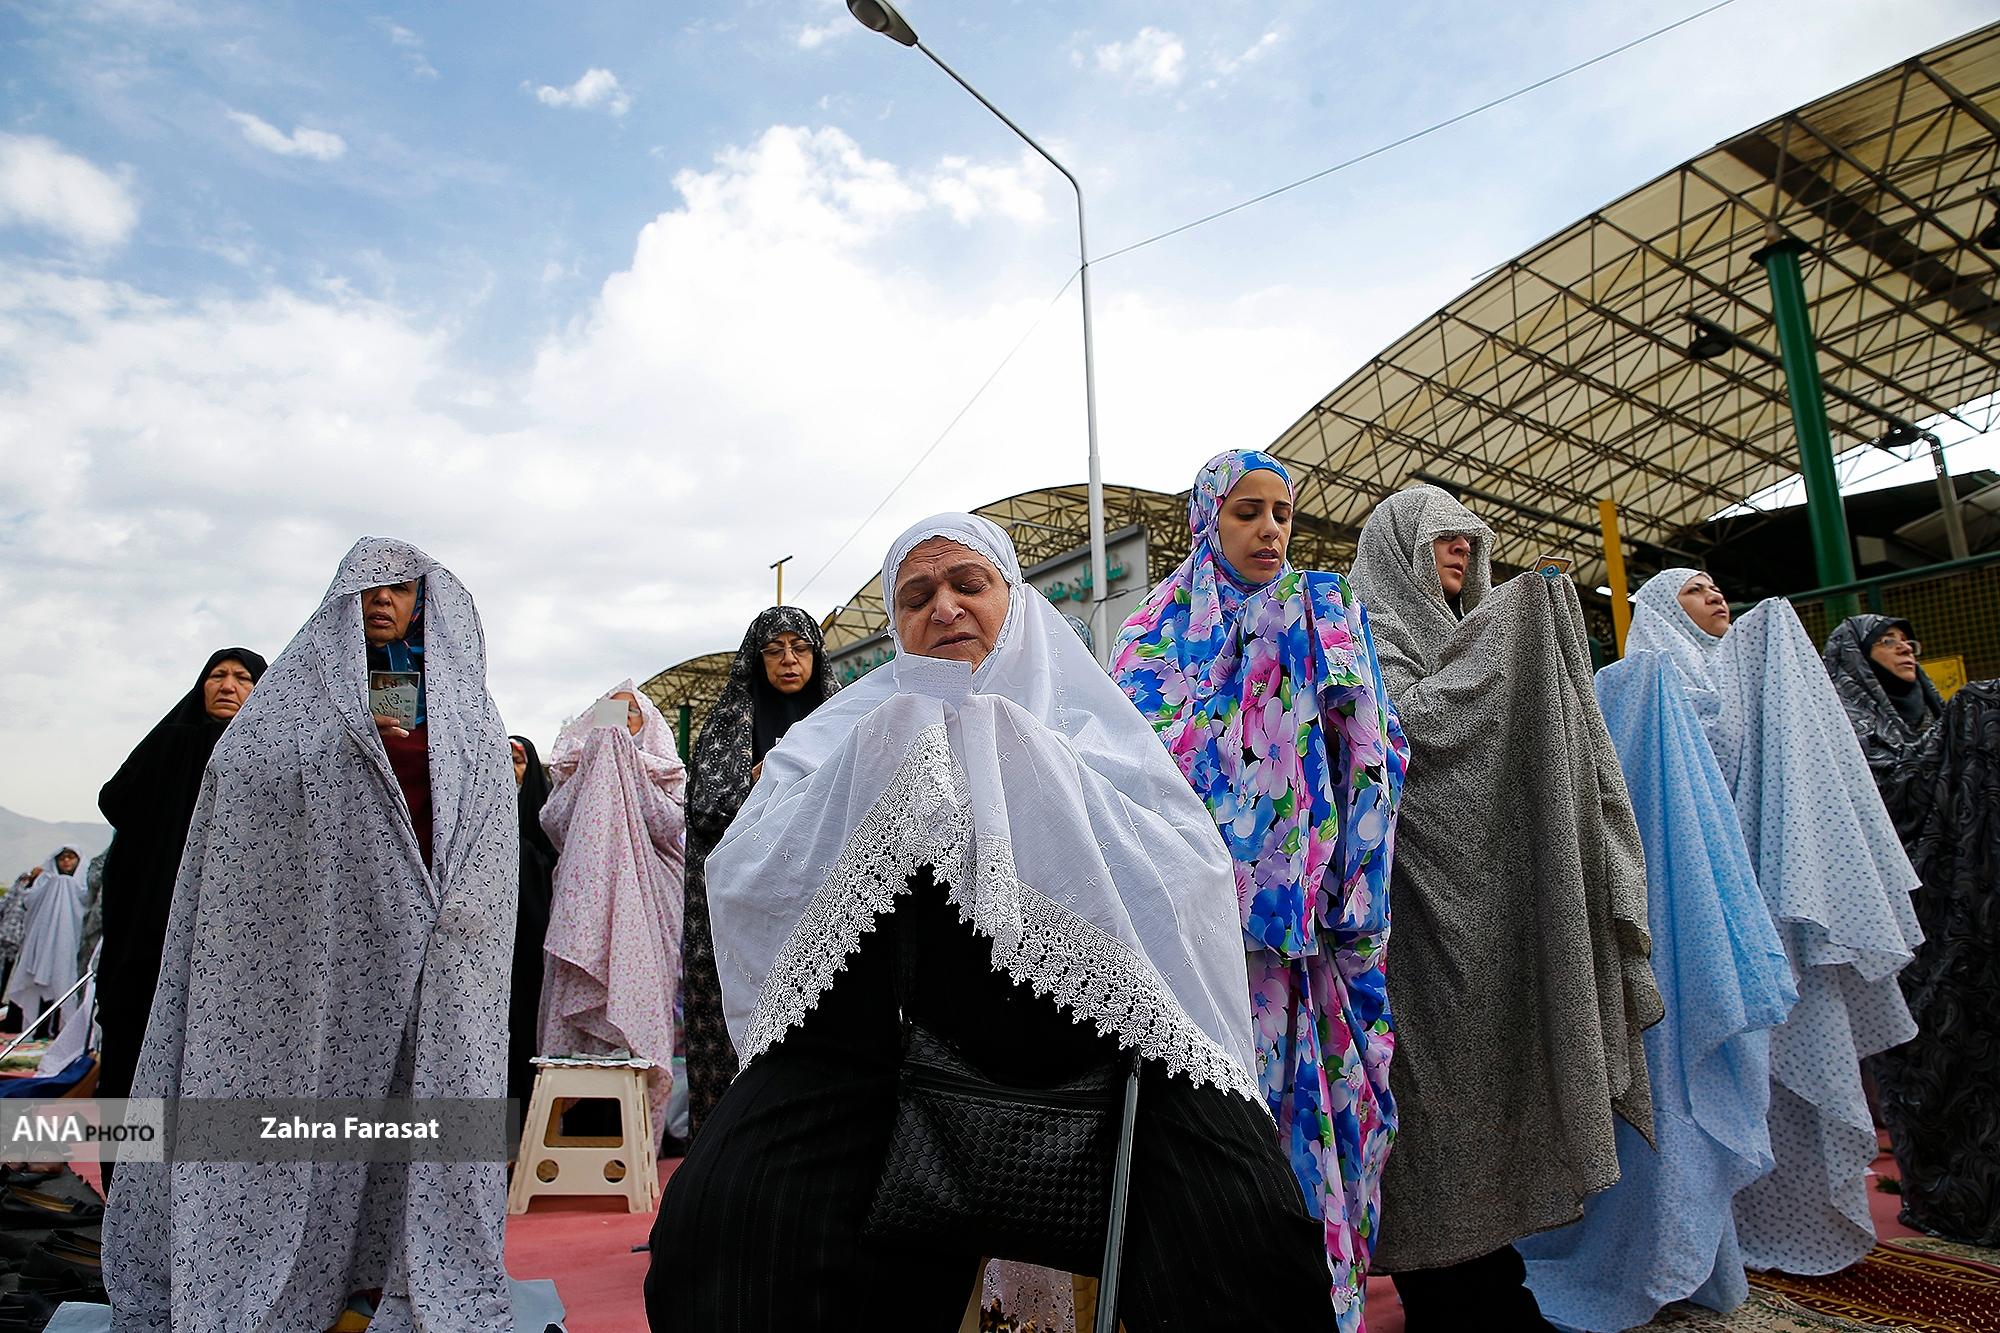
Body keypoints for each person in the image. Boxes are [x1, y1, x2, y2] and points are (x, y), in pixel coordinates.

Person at [646, 513, 1337, 1332]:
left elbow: (1187, 874)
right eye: (916, 597)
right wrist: (871, 769)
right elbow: (746, 872)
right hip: (878, 1051)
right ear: (897, 624)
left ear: (1014, 599)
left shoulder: (1091, 723)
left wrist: (1032, 767)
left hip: (1100, 1054)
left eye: (968, 584)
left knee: (1248, 1228)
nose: (944, 608)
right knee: (720, 1222)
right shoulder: (843, 731)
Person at [102, 537, 518, 1333]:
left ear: (423, 603)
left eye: (399, 588)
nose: (382, 599)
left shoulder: (463, 703)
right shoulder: (299, 698)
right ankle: (302, 1275)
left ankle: (390, 1277)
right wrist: (342, 759)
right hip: (325, 942)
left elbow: (490, 817)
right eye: (368, 587)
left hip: (439, 944)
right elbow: (242, 777)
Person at [1345, 484, 1661, 1331]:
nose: (1462, 550)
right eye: (1444, 538)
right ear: (1399, 550)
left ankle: (1491, 1289)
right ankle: (1455, 1299)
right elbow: (1401, 736)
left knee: (1489, 1115)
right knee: (1431, 1126)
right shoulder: (1361, 630)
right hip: (1405, 941)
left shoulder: (1460, 633)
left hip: (1489, 942)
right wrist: (1507, 637)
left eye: (1472, 540)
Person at [1112, 449, 1406, 1332]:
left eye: (1282, 512)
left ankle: (1304, 1305)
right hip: (1188, 951)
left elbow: (1376, 755)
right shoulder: (1151, 637)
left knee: (1307, 1142)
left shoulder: (1325, 613)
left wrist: (1347, 893)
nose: (1271, 529)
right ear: (1208, 520)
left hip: (1304, 948)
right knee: (1204, 1141)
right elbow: (1123, 777)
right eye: (1248, 512)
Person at [1624, 569, 1920, 1275]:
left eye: (1717, 586)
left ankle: (1795, 1214)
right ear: (1663, 609)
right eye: (1695, 590)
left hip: (1770, 904)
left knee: (1786, 1062)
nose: (1715, 596)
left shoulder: (1755, 681)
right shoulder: (1645, 686)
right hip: (1696, 918)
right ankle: (1712, 1234)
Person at [1518, 650, 1797, 1329]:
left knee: (1662, 1108)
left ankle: (1678, 1257)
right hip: (1671, 975)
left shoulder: (1632, 778)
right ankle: (1673, 1258)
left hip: (1656, 976)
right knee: (1672, 1108)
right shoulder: (1653, 785)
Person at [682, 607, 836, 1139]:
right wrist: (760, 786)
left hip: (819, 902)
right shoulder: (731, 723)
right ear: (757, 659)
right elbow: (706, 807)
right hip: (744, 903)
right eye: (774, 650)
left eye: (801, 648)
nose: (789, 660)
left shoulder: (840, 716)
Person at [95, 647, 269, 1103]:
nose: (227, 686)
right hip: (150, 935)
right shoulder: (170, 744)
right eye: (217, 675)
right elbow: (116, 801)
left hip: (233, 940)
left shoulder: (271, 758)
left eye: (242, 678)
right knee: (133, 1048)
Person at [1864, 678, 2000, 1245]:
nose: (1903, 646)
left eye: (1905, 638)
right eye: (1887, 639)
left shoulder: (1944, 713)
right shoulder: (1858, 717)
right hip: (1933, 908)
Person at [538, 682, 688, 1135]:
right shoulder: (574, 770)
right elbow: (555, 823)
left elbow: (668, 824)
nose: (619, 727)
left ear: (649, 725)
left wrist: (626, 768)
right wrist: (598, 764)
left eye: (630, 717)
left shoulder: (664, 772)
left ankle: (640, 1135)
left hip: (652, 910)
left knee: (642, 1009)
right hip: (582, 916)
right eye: (611, 716)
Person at [1821, 615, 1944, 784]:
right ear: (1857, 655)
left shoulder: (1937, 713)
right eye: (1888, 641)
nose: (1906, 648)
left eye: (1906, 641)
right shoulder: (1836, 725)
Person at [509, 734, 558, 1113]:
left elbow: (552, 865)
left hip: (532, 944)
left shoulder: (545, 812)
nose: (511, 769)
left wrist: (518, 850)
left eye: (518, 760)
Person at [2, 845, 89, 1033]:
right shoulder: (46, 881)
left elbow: (86, 905)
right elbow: (29, 901)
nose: (66, 861)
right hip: (40, 943)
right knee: (35, 984)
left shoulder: (82, 884)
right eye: (62, 858)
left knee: (63, 981)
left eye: (71, 857)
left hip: (69, 943)